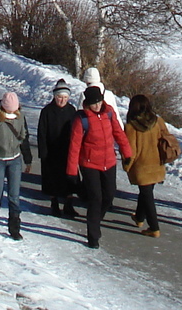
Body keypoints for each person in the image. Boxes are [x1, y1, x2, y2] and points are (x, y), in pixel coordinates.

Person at [66, 85, 132, 249]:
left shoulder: (109, 112)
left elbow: (118, 133)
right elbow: (74, 146)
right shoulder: (81, 119)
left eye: (99, 102)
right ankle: (93, 234)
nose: (97, 105)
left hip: (109, 161)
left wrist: (127, 153)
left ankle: (95, 220)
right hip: (89, 164)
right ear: (87, 103)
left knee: (109, 195)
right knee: (96, 198)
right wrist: (72, 171)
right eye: (93, 103)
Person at [122, 93, 176, 237]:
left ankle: (154, 227)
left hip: (142, 167)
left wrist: (126, 166)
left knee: (147, 195)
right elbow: (167, 138)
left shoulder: (131, 127)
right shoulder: (158, 121)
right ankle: (139, 217)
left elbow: (130, 151)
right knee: (146, 192)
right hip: (157, 164)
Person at [0, 90, 30, 240]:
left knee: (14, 196)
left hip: (15, 160)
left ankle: (14, 228)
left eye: (15, 108)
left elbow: (24, 138)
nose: (13, 111)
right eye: (10, 109)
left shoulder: (20, 116)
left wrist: (27, 159)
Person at [37, 81, 80, 218]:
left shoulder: (72, 111)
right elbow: (41, 133)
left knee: (70, 179)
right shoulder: (47, 112)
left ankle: (68, 205)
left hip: (67, 151)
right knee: (53, 180)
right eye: (60, 97)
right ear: (55, 96)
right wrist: (43, 152)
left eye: (65, 98)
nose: (62, 100)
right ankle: (54, 204)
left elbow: (76, 131)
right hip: (52, 152)